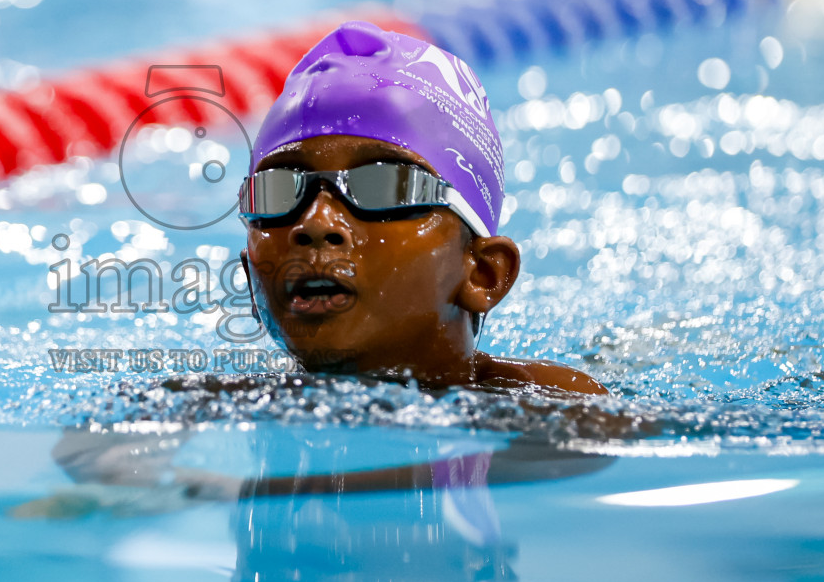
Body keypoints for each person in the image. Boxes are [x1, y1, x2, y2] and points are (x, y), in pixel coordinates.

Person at [239, 20, 605, 395]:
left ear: (482, 273)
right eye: (279, 190)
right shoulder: (221, 410)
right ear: (251, 279)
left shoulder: (562, 418)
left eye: (384, 185)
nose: (316, 222)